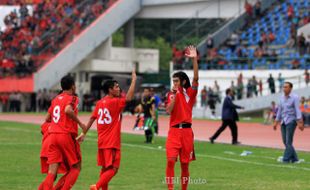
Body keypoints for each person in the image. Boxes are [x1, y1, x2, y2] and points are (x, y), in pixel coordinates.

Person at [76, 69, 136, 190]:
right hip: (112, 142)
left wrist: (83, 133)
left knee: (105, 169)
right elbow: (129, 98)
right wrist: (133, 80)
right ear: (110, 90)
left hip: (102, 142)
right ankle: (96, 186)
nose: (119, 89)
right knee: (114, 169)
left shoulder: (99, 103)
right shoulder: (114, 102)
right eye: (116, 87)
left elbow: (92, 119)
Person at [38, 75, 87, 190]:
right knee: (76, 167)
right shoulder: (73, 98)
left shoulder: (55, 99)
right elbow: (68, 110)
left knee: (52, 172)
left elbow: (47, 118)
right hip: (65, 135)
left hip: (52, 136)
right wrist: (80, 124)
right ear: (73, 86)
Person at [165, 45, 198, 190]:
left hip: (186, 133)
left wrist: (194, 59)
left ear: (183, 82)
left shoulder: (190, 93)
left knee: (185, 164)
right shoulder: (172, 94)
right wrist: (175, 95)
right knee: (171, 161)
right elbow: (168, 110)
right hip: (173, 132)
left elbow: (196, 78)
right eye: (173, 82)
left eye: (177, 81)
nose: (174, 84)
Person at [273, 82, 304, 163]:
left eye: (286, 87)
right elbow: (279, 110)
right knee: (285, 141)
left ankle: (285, 159)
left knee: (288, 141)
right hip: (283, 121)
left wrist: (300, 121)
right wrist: (276, 121)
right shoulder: (281, 98)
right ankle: (295, 159)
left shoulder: (295, 97)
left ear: (290, 88)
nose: (284, 89)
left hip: (291, 121)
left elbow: (297, 109)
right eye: (283, 87)